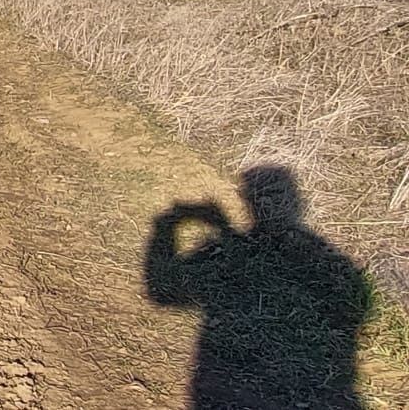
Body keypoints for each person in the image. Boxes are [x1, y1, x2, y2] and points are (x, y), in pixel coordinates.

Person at [144, 166, 369, 409]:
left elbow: (162, 291)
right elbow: (357, 310)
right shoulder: (334, 264)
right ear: (297, 202)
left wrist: (167, 223)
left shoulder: (228, 254)